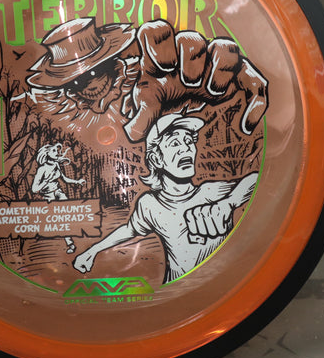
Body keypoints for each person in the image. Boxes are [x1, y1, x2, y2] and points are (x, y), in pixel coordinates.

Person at [73, 113, 258, 282]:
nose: (185, 149)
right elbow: (129, 230)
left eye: (189, 141)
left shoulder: (210, 192)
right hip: (175, 291)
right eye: (175, 143)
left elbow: (255, 179)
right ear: (157, 159)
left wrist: (228, 203)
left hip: (221, 288)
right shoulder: (150, 204)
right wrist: (92, 251)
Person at [32, 143, 86, 253]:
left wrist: (77, 182)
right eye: (53, 151)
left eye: (57, 151)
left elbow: (64, 179)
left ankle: (77, 235)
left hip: (58, 192)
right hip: (49, 196)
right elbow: (34, 189)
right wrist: (46, 181)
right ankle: (70, 244)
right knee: (60, 220)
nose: (57, 153)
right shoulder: (42, 169)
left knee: (68, 213)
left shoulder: (56, 165)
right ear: (46, 154)